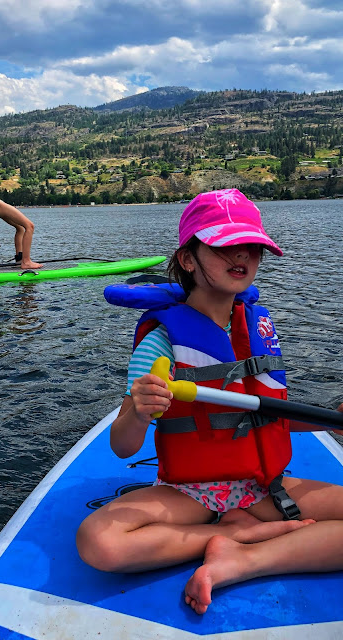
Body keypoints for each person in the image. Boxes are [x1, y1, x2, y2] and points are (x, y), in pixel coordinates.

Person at [76, 188, 343, 615]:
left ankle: (243, 559)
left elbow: (269, 417)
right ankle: (234, 535)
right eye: (224, 245)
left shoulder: (257, 328)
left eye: (252, 247)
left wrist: (332, 420)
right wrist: (140, 410)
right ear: (188, 259)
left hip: (263, 487)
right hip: (191, 494)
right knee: (98, 541)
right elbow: (123, 446)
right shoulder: (162, 341)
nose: (242, 256)